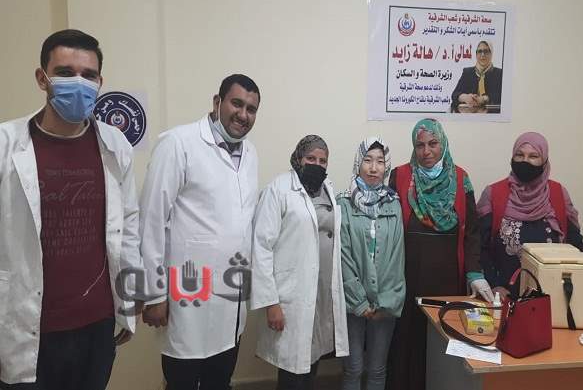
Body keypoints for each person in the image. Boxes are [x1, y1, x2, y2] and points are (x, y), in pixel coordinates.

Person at [0, 29, 142, 389]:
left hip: (97, 322)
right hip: (27, 325)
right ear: (42, 78)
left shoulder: (115, 145)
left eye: (88, 75)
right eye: (65, 73)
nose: (78, 83)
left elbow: (129, 225)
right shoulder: (6, 145)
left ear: (100, 83)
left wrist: (130, 298)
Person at [139, 74, 261, 390]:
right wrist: (154, 294)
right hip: (188, 297)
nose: (243, 115)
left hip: (231, 298)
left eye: (251, 109)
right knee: (182, 379)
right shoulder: (178, 143)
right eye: (236, 103)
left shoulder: (250, 154)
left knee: (219, 379)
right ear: (217, 102)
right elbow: (151, 220)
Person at [386, 118, 493, 390]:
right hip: (408, 279)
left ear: (443, 143)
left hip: (447, 282)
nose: (426, 151)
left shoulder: (461, 179)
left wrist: (475, 273)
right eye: (420, 145)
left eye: (433, 143)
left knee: (443, 344)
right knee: (407, 344)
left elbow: (472, 233)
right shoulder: (400, 176)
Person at [251, 135, 349, 390]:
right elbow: (261, 247)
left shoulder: (328, 188)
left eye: (323, 160)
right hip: (291, 297)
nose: (317, 165)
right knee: (292, 372)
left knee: (311, 363)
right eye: (311, 158)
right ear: (298, 158)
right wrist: (271, 303)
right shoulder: (279, 189)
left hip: (321, 295)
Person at [477, 132, 583, 299]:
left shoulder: (558, 194)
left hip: (552, 297)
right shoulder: (494, 194)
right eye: (519, 155)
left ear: (544, 161)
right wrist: (493, 285)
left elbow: (575, 245)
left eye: (533, 156)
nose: (525, 161)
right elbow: (479, 247)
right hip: (503, 296)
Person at [338, 137, 405, 390]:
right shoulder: (343, 203)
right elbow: (343, 255)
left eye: (380, 161)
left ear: (386, 166)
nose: (374, 168)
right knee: (353, 369)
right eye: (367, 160)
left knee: (377, 369)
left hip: (385, 301)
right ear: (358, 163)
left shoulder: (394, 203)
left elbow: (397, 255)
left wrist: (387, 300)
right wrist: (359, 301)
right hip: (352, 301)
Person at [451, 40, 503, 113]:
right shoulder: (467, 72)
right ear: (476, 54)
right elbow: (455, 94)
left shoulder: (499, 73)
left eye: (486, 51)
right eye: (479, 51)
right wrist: (465, 97)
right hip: (470, 115)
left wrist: (484, 99)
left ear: (491, 54)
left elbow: (501, 95)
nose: (482, 54)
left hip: (491, 115)